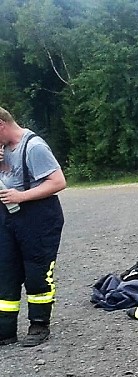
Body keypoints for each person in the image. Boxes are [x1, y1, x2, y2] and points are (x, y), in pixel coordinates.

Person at [0, 107, 67, 346]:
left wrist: (22, 196)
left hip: (39, 218)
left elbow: (58, 182)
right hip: (8, 218)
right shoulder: (3, 150)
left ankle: (39, 325)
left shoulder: (34, 147)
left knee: (37, 272)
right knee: (5, 273)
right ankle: (5, 330)